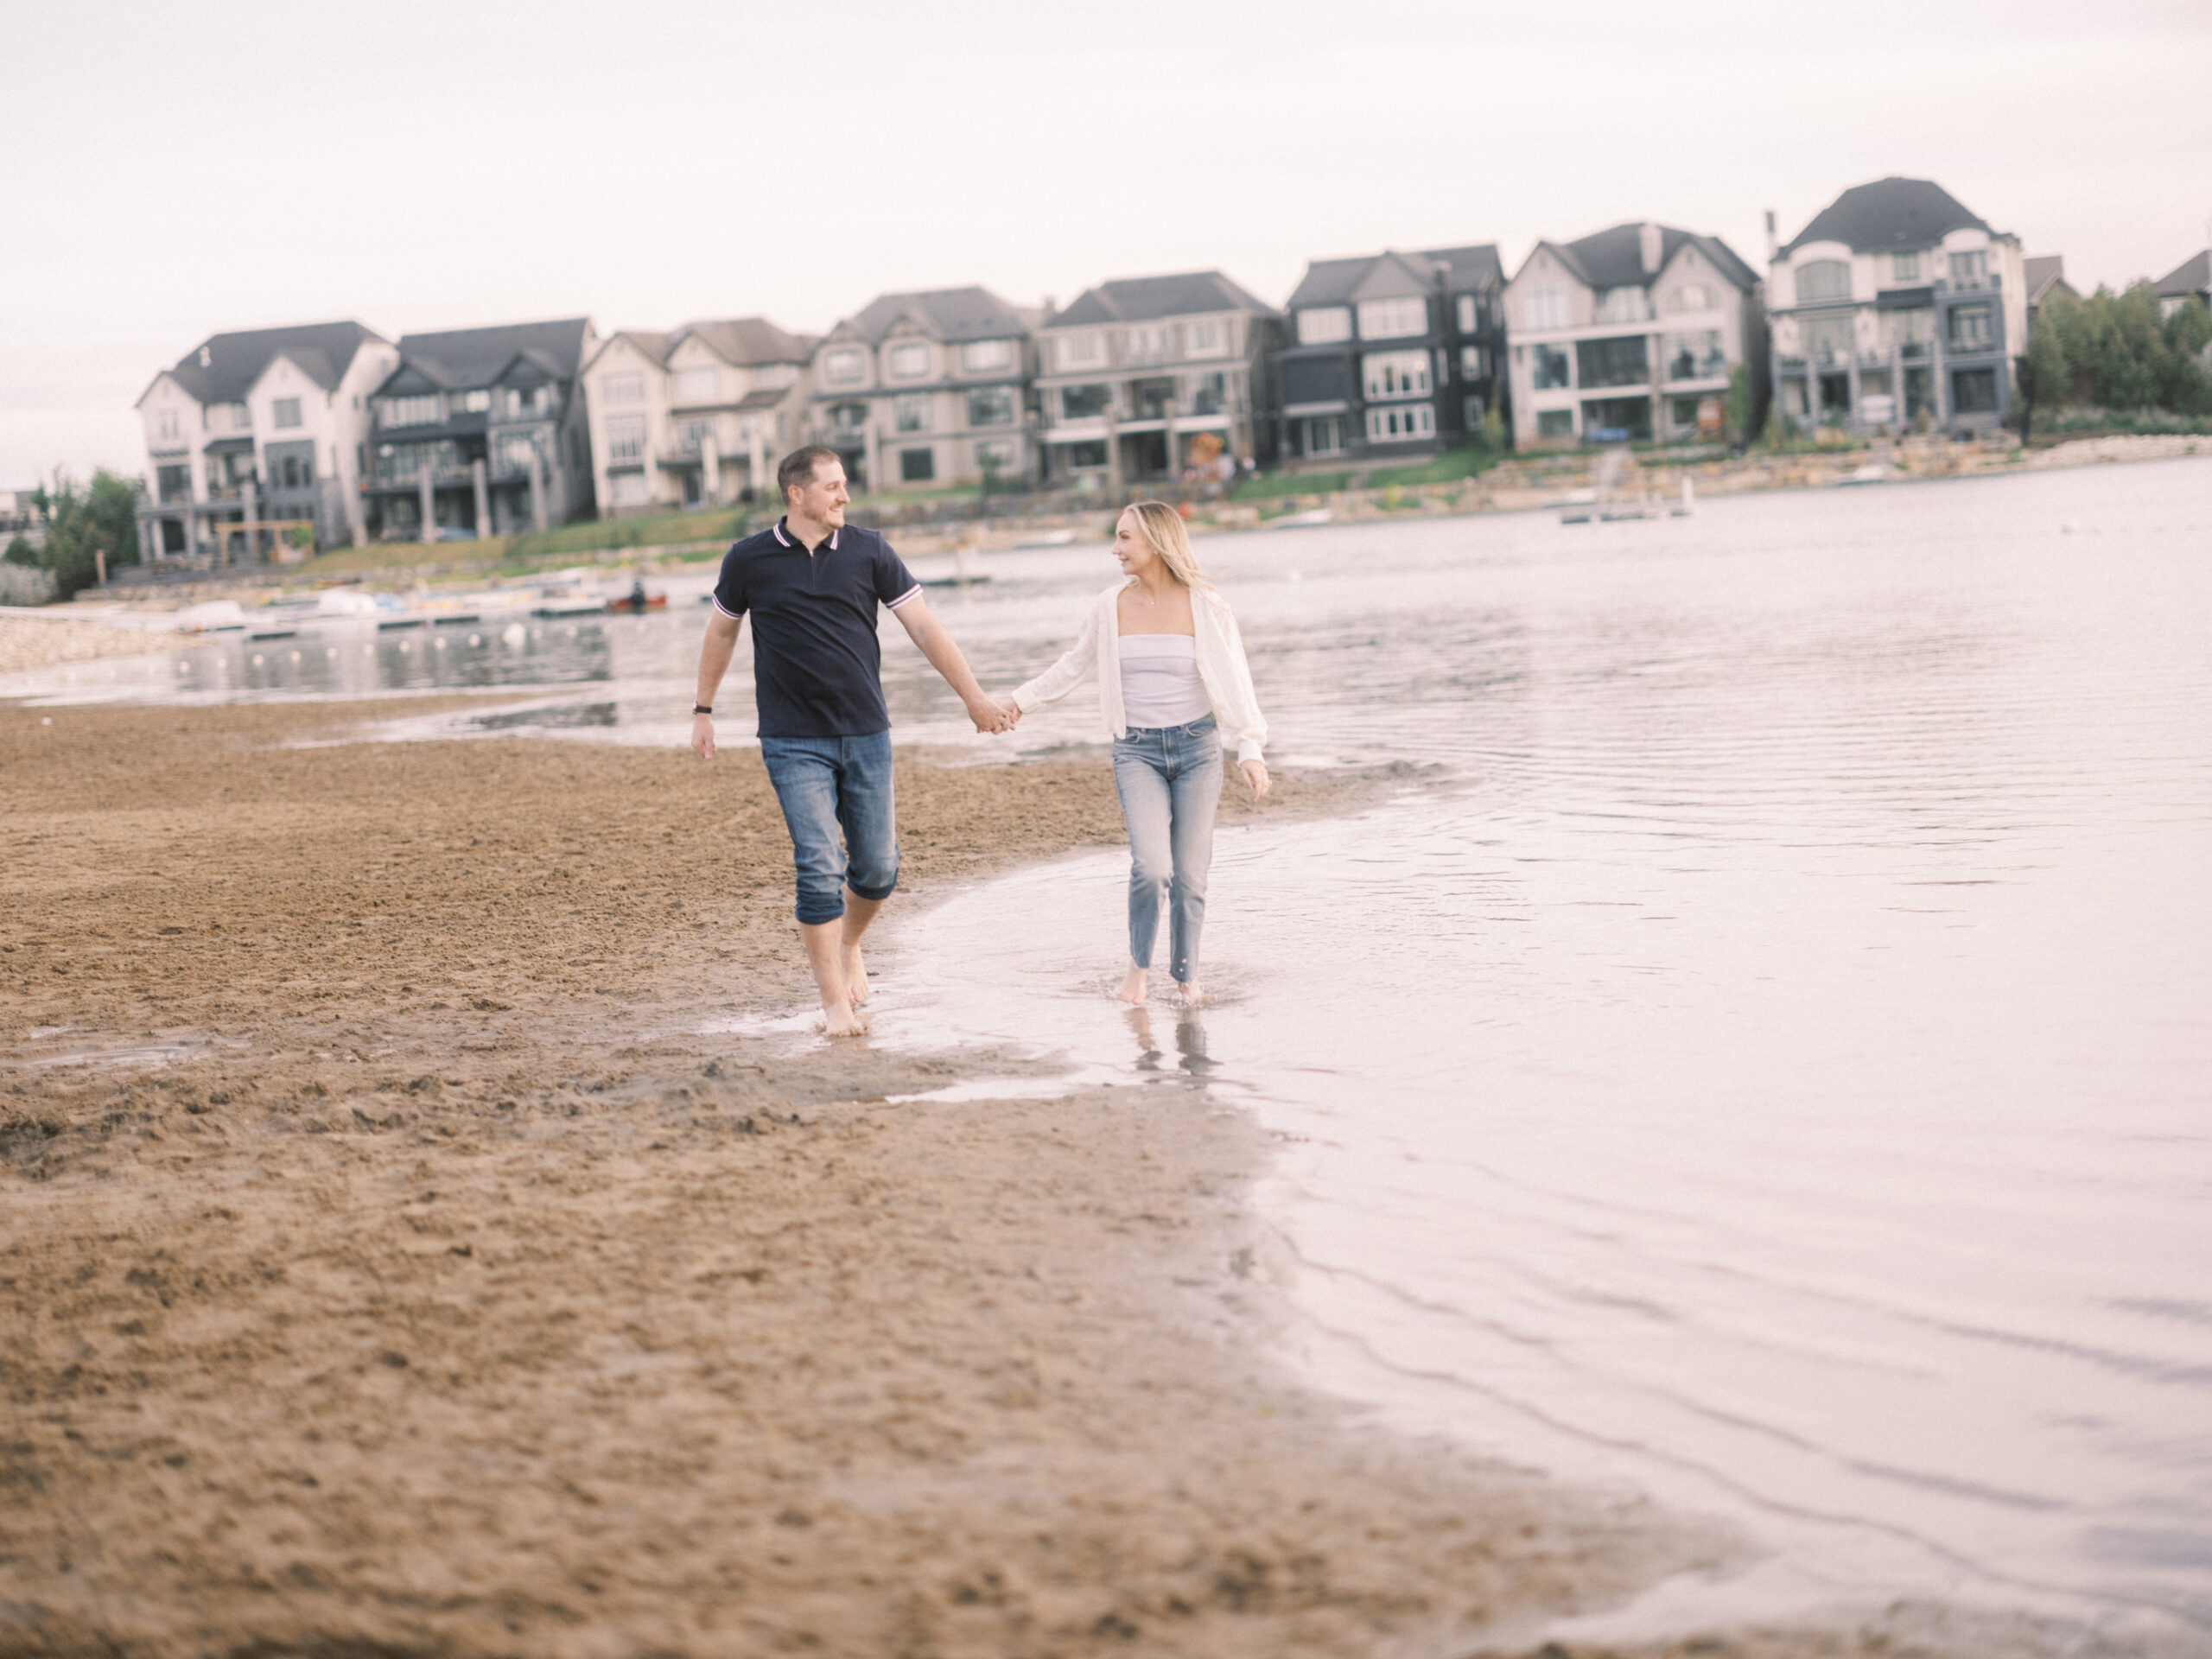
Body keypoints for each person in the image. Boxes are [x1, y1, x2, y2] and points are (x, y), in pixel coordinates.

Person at [692, 446, 1014, 1035]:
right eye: (833, 486)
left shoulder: (870, 551)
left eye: (844, 485)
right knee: (818, 867)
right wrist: (703, 709)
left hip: (867, 732)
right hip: (792, 740)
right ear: (797, 494)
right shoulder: (749, 559)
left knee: (877, 868)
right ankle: (834, 1005)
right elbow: (721, 631)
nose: (845, 495)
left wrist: (974, 697)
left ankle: (848, 942)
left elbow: (923, 627)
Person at [1004, 500, 1268, 1006]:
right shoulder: (1110, 605)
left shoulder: (1208, 605)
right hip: (1137, 752)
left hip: (1198, 750)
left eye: (1125, 538)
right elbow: (1073, 664)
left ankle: (1188, 978)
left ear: (1156, 543)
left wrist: (1250, 748)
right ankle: (1138, 969)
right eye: (1117, 537)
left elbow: (1237, 681)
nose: (1115, 548)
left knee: (1191, 876)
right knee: (1152, 868)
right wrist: (1017, 704)